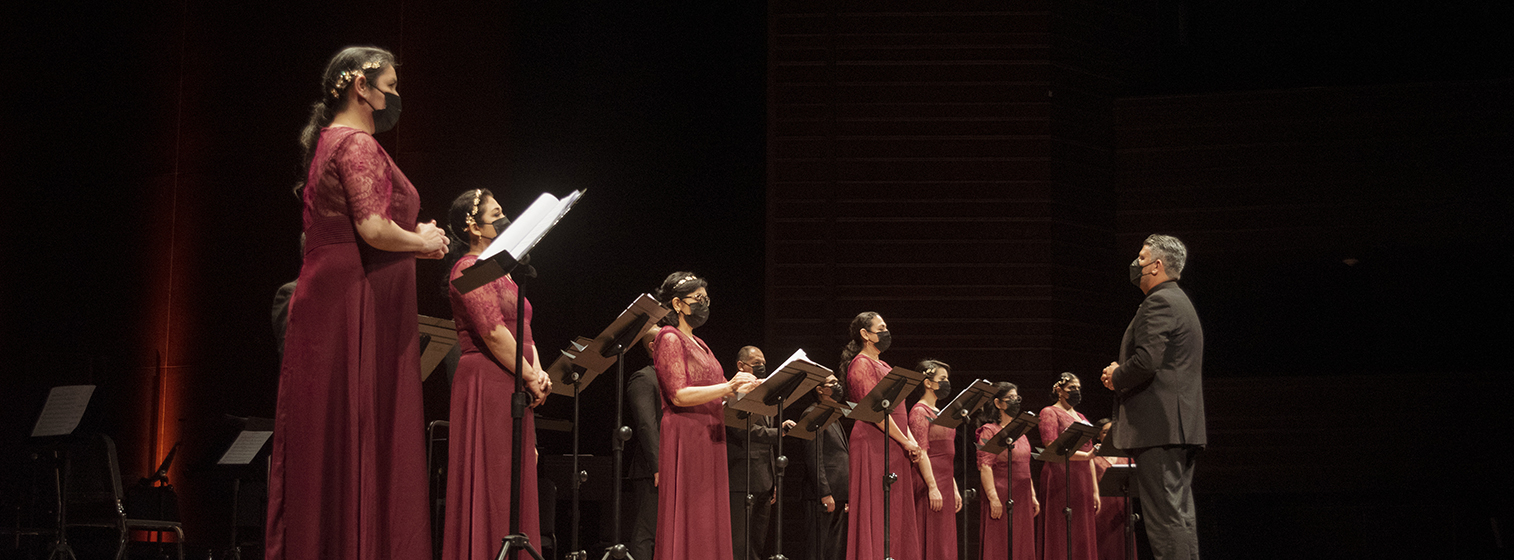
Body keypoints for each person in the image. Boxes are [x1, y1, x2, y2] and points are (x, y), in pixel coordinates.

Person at [267, 46, 448, 560]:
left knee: (336, 433)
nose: (394, 96)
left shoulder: (330, 141)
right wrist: (424, 242)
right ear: (358, 87)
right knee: (356, 426)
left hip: (343, 293)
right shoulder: (357, 145)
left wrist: (411, 238)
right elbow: (371, 228)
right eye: (388, 86)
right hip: (353, 300)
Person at [439, 188, 552, 560]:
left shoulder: (501, 271)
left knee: (514, 478)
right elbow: (491, 331)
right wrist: (529, 375)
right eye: (497, 212)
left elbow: (523, 328)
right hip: (487, 381)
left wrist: (538, 370)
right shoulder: (468, 269)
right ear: (472, 225)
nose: (505, 219)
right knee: (493, 476)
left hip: (512, 380)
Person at [1100, 234, 1205, 560]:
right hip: (1179, 426)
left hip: (1160, 426)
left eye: (1142, 258)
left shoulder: (1158, 302)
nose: (1137, 264)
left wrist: (1116, 376)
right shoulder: (1181, 301)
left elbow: (1147, 361)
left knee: (1164, 519)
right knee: (1180, 515)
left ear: (1158, 265)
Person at [652, 272, 759, 560]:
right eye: (698, 299)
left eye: (706, 298)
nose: (704, 304)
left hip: (710, 432)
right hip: (686, 434)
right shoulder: (669, 337)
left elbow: (724, 393)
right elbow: (678, 395)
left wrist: (753, 387)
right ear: (677, 303)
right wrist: (728, 386)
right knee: (691, 510)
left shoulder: (701, 344)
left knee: (708, 512)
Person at [842, 312, 922, 560]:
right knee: (876, 508)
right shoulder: (861, 364)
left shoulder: (885, 366)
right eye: (881, 328)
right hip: (873, 441)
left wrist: (911, 441)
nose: (886, 332)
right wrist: (905, 440)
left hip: (894, 442)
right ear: (865, 334)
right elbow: (874, 412)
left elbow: (899, 410)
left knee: (896, 510)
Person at [726, 346, 796, 560]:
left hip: (764, 479)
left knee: (757, 542)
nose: (762, 366)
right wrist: (777, 432)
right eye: (756, 363)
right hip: (741, 478)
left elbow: (768, 445)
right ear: (741, 365)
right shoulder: (733, 391)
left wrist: (773, 480)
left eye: (763, 362)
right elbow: (739, 429)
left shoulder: (765, 392)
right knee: (739, 542)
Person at [1039, 372, 1100, 560]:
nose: (1076, 391)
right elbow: (1052, 446)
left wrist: (1095, 490)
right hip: (1060, 474)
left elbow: (1090, 453)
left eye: (1078, 388)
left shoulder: (1080, 416)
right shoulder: (1049, 412)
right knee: (1062, 525)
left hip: (1083, 477)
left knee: (1082, 527)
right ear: (1059, 390)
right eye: (1071, 388)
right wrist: (1087, 455)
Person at [976, 382, 1038, 560]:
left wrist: (1032, 496)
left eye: (1016, 398)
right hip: (1001, 493)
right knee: (1000, 541)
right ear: (998, 403)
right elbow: (985, 465)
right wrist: (993, 498)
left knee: (1021, 541)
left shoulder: (1021, 433)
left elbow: (1026, 467)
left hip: (1022, 495)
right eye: (1009, 398)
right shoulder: (989, 431)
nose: (1015, 402)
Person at [794, 373, 850, 560]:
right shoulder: (812, 413)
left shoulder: (831, 414)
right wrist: (825, 492)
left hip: (839, 495)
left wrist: (846, 494)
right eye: (832, 383)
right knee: (818, 549)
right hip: (822, 496)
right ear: (819, 389)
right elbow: (813, 457)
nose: (838, 386)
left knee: (834, 550)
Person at [908, 359, 959, 560]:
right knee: (930, 534)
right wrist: (932, 487)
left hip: (945, 480)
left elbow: (948, 455)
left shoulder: (940, 413)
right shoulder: (919, 411)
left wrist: (953, 487)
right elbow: (921, 452)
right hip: (928, 480)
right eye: (942, 378)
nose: (946, 382)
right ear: (928, 382)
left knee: (944, 538)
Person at [625, 327, 664, 560]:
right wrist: (658, 465)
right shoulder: (643, 378)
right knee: (646, 533)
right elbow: (646, 425)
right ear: (653, 346)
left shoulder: (675, 379)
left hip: (676, 466)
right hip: (652, 469)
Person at [1092, 419, 1136, 560]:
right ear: (1098, 435)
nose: (1110, 435)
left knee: (1123, 544)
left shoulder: (1126, 456)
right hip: (1102, 507)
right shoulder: (1092, 457)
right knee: (1104, 544)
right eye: (1105, 432)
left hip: (1123, 506)